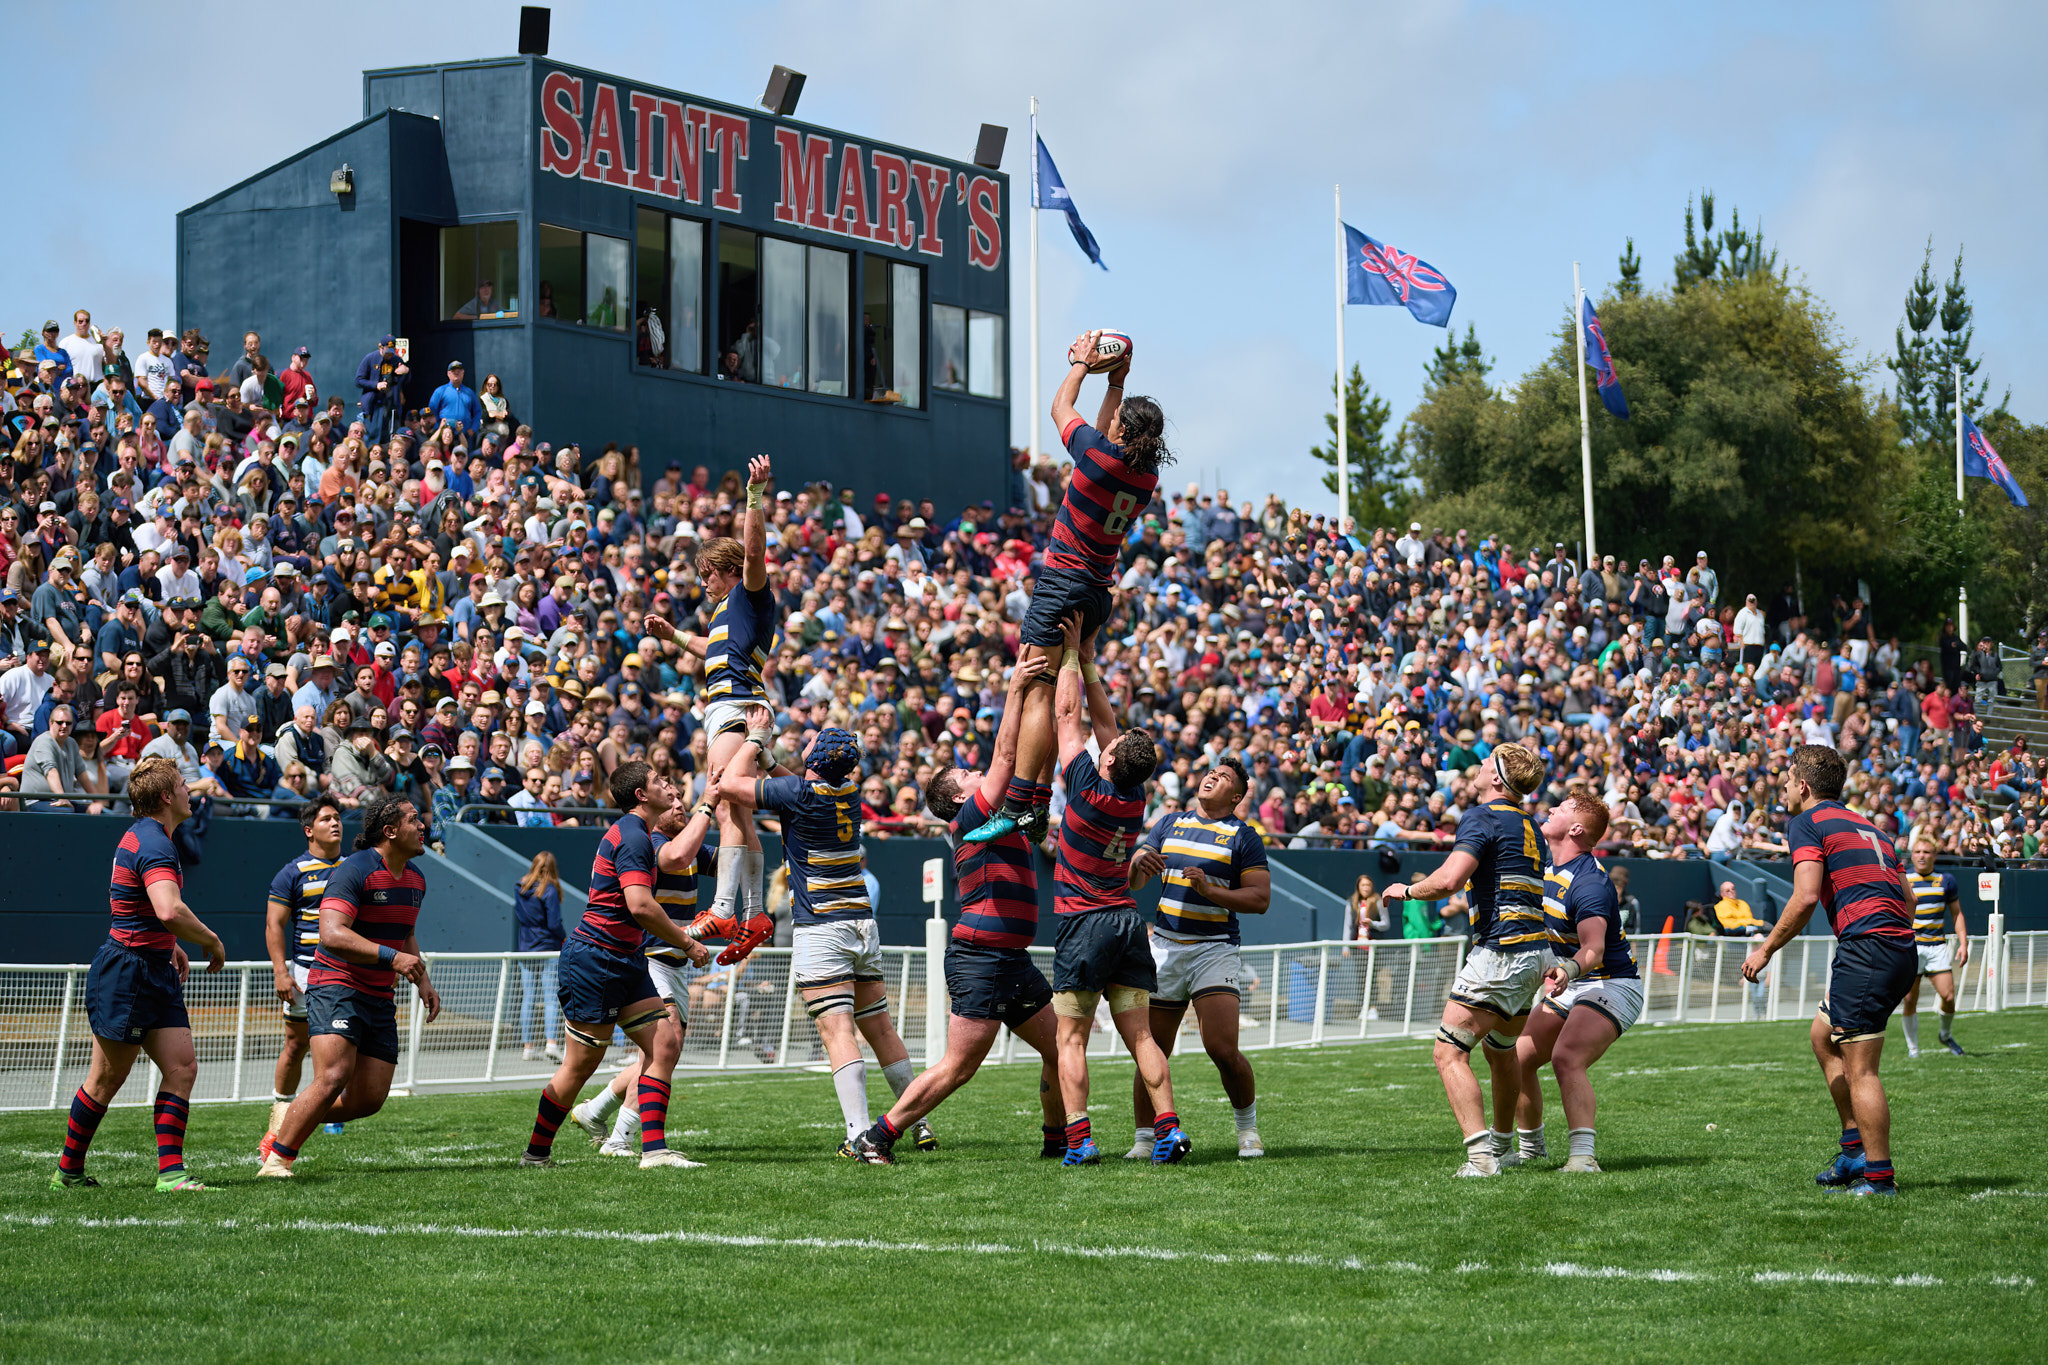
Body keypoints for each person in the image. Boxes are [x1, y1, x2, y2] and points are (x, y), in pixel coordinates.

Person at [846, 657, 1063, 1166]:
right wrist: (1013, 690)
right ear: (960, 796)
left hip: (1012, 958)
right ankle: (878, 1137)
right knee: (959, 1067)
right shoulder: (971, 816)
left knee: (1059, 1050)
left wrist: (1049, 697)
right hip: (980, 956)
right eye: (967, 772)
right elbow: (1009, 753)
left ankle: (1057, 1142)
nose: (977, 770)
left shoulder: (1001, 811)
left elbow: (1036, 762)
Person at [965, 332, 1170, 845]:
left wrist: (1081, 365)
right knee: (1057, 689)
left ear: (1124, 430)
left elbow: (1062, 407)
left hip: (1063, 582)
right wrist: (1117, 383)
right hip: (1098, 590)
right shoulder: (1143, 478)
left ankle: (1020, 803)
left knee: (1036, 688)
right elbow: (1103, 430)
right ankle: (1034, 804)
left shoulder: (1100, 457)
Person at [716, 723, 931, 1154]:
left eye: (811, 742)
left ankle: (858, 1135)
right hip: (861, 925)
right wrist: (774, 764)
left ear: (814, 760)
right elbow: (792, 783)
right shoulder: (847, 792)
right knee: (881, 1029)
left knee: (837, 1033)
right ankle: (919, 1122)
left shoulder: (799, 793)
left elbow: (728, 783)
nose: (806, 742)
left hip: (822, 926)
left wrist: (756, 739)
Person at [1740, 744, 1917, 1198]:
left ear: (1803, 785)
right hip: (1897, 947)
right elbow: (1909, 901)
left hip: (1868, 948)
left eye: (1785, 780)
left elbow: (1803, 897)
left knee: (1862, 1069)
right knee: (1822, 1036)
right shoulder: (1871, 827)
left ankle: (1878, 1178)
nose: (1781, 787)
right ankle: (1853, 1148)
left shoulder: (1806, 822)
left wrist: (1765, 950)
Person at [522, 761, 712, 1171]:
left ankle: (655, 1151)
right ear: (642, 796)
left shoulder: (638, 833)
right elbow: (640, 905)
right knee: (579, 1065)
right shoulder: (632, 835)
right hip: (596, 959)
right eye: (661, 782)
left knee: (664, 1045)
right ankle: (536, 1152)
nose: (670, 787)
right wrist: (687, 941)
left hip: (624, 958)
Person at [1043, 612, 1183, 1167]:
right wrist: (1092, 662)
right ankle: (1169, 1131)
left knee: (1070, 1041)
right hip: (1128, 923)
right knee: (1142, 1038)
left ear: (1107, 761)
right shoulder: (1134, 797)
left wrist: (1071, 656)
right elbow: (1108, 734)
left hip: (1085, 924)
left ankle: (1080, 1139)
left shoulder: (1086, 788)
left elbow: (1067, 715)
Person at [50, 756, 227, 1192]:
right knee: (107, 1079)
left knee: (182, 1067)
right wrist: (210, 940)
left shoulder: (150, 836)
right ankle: (67, 1171)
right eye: (184, 785)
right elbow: (168, 909)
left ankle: (171, 1174)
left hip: (153, 967)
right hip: (127, 974)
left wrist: (173, 946)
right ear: (167, 797)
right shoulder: (154, 842)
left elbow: (145, 911)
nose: (190, 791)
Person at [1383, 742, 1549, 1178]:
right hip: (1534, 950)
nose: (1475, 767)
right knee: (1502, 1050)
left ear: (1496, 778)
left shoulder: (1482, 815)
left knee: (1448, 1053)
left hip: (1503, 950)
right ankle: (1502, 1144)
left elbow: (1449, 880)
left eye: (1484, 761)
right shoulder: (1530, 823)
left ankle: (1480, 1159)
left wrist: (1405, 890)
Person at [258, 793, 440, 1177]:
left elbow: (404, 932)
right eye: (413, 820)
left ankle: (287, 1118)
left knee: (369, 1099)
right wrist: (394, 959)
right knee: (334, 1076)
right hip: (336, 984)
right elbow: (331, 934)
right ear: (389, 832)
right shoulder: (355, 869)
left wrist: (423, 980)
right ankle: (278, 1160)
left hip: (379, 995)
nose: (422, 825)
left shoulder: (416, 880)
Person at [645, 454, 775, 965]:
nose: (703, 580)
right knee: (737, 807)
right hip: (739, 704)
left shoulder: (748, 592)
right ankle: (754, 913)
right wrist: (675, 636)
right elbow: (711, 650)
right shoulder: (725, 614)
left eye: (707, 572)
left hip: (736, 705)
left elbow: (755, 552)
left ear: (727, 569)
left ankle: (725, 907)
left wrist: (755, 497)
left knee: (720, 796)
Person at [1125, 755, 1272, 1160]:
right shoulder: (1169, 823)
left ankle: (1247, 1132)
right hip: (1166, 948)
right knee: (1151, 1049)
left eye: (1222, 777)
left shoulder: (1244, 836)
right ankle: (1144, 1138)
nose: (1211, 776)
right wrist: (1140, 864)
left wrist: (1212, 892)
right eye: (1211, 772)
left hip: (1214, 949)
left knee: (1222, 1049)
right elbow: (1135, 880)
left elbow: (1260, 899)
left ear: (1237, 796)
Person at [574, 792, 721, 1157]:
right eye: (669, 800)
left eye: (680, 798)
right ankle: (622, 1139)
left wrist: (737, 812)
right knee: (662, 1048)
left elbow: (734, 860)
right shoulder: (654, 843)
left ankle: (594, 1111)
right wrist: (709, 804)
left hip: (675, 963)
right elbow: (677, 857)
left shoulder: (687, 844)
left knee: (658, 1054)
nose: (678, 804)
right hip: (652, 956)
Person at [1513, 793, 1638, 1173]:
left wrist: (1566, 969)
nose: (1551, 809)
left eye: (1562, 808)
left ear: (1576, 828)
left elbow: (1594, 951)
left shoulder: (1589, 884)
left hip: (1613, 984)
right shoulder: (1546, 868)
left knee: (1567, 1058)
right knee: (1515, 1059)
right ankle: (1531, 1148)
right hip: (1572, 981)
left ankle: (1583, 1158)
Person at [258, 796, 345, 1159]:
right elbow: (274, 924)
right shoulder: (291, 872)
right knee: (296, 1046)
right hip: (305, 973)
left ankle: (331, 1109)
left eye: (338, 817)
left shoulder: (354, 868)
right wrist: (281, 970)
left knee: (341, 1045)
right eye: (326, 819)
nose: (335, 823)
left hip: (346, 973)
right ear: (309, 830)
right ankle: (278, 1118)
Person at [1900, 840, 1968, 1059]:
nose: (1921, 855)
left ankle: (1945, 1034)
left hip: (1937, 946)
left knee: (1948, 996)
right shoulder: (1903, 879)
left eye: (1926, 852)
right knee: (1910, 999)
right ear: (1912, 855)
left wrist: (1963, 943)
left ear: (1934, 855)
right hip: (1911, 947)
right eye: (1917, 852)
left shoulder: (1946, 880)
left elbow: (1956, 914)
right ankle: (1913, 1050)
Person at [513, 851, 566, 1062]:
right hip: (548, 948)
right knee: (551, 998)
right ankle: (551, 1043)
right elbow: (554, 924)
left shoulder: (520, 887)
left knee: (528, 997)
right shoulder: (550, 890)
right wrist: (566, 937)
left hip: (526, 947)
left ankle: (528, 1047)